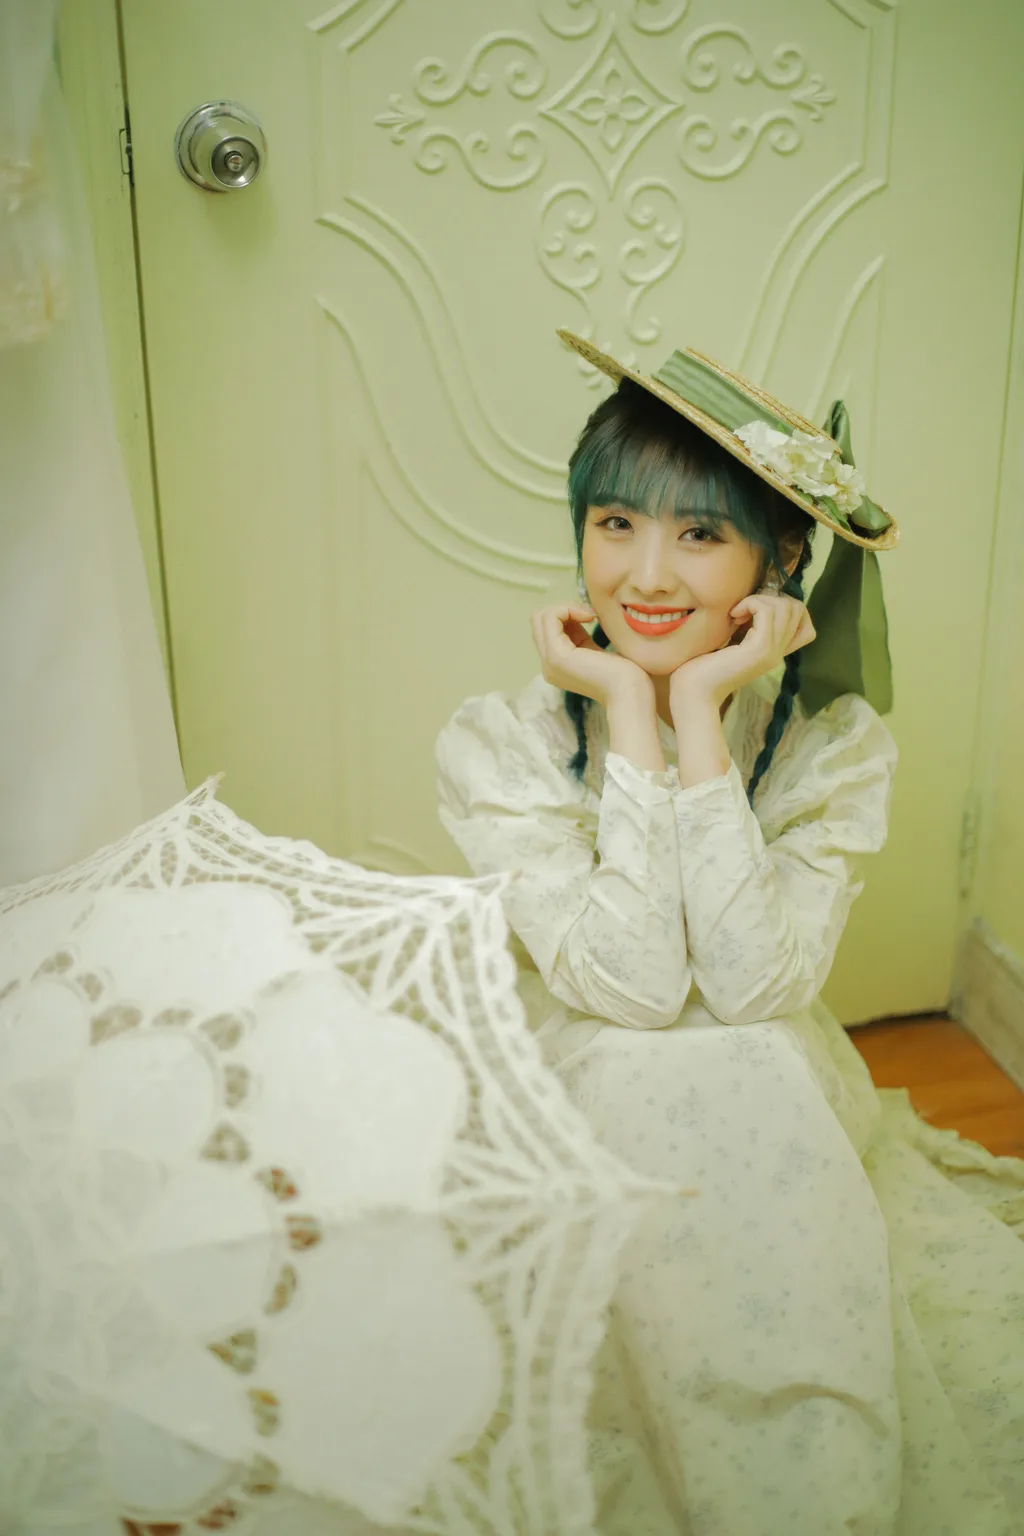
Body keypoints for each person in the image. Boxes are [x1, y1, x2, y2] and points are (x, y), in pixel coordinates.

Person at [436, 332, 1024, 1535]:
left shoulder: (828, 747)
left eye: (699, 534)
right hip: (582, 1066)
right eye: (614, 524)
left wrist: (697, 714)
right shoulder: (501, 743)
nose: (645, 575)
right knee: (654, 1067)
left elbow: (754, 987)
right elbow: (630, 989)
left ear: (780, 560)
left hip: (769, 1079)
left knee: (745, 1057)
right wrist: (626, 710)